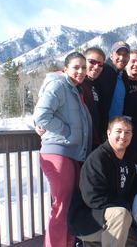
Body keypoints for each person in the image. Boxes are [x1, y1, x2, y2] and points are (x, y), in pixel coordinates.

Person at [33, 52, 92, 247]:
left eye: (84, 67)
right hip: (57, 152)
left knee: (68, 207)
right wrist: (65, 131)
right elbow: (41, 115)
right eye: (76, 67)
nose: (81, 71)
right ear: (65, 68)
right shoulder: (59, 85)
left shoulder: (75, 89)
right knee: (60, 207)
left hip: (70, 153)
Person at [67, 116, 137, 247]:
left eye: (127, 132)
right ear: (109, 133)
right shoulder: (97, 159)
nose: (122, 136)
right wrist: (125, 205)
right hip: (88, 220)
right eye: (118, 131)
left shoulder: (129, 158)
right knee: (121, 214)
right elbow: (93, 197)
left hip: (111, 219)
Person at [94, 41, 130, 141]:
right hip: (101, 132)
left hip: (118, 133)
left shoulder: (124, 76)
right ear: (111, 56)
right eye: (118, 54)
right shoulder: (103, 71)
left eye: (125, 55)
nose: (122, 58)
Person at [81, 47, 106, 148]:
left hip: (94, 140)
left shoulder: (94, 85)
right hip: (80, 143)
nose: (96, 67)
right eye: (92, 62)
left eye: (100, 64)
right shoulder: (76, 84)